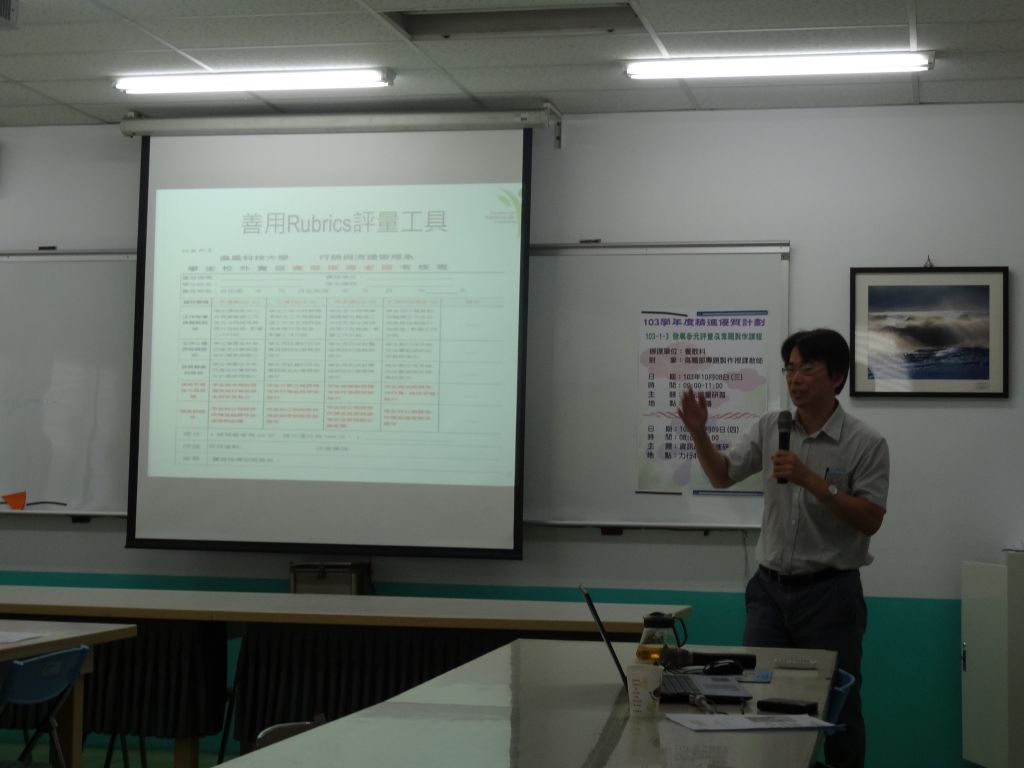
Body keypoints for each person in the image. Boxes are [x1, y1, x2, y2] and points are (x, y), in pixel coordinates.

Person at [677, 328, 889, 768]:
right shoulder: (772, 426)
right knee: (756, 695)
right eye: (790, 369)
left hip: (830, 594)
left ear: (837, 377)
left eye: (808, 368)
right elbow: (721, 475)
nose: (795, 378)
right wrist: (699, 434)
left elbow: (871, 518)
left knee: (840, 709)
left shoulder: (866, 443)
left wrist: (811, 479)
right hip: (769, 592)